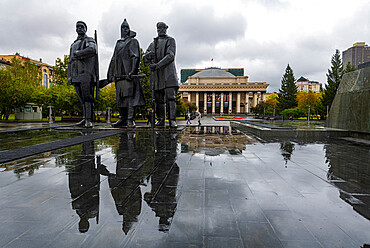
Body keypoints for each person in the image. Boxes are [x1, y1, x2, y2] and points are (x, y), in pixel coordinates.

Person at [108, 19, 145, 128]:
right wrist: (110, 73)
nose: (124, 30)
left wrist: (132, 71)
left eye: (126, 28)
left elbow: (135, 56)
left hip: (128, 75)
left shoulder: (133, 41)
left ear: (129, 30)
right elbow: (114, 59)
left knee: (129, 98)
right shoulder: (118, 43)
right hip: (119, 76)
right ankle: (122, 119)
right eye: (122, 28)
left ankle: (130, 119)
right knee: (120, 98)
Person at [143, 22, 179, 128]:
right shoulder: (153, 43)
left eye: (163, 28)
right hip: (157, 77)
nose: (161, 30)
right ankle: (161, 120)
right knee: (159, 100)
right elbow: (145, 58)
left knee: (170, 98)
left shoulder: (170, 40)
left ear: (166, 29)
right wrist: (149, 55)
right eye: (159, 28)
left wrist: (157, 65)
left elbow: (170, 55)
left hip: (168, 74)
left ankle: (172, 120)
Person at [67, 21, 99, 128]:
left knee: (87, 97)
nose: (80, 29)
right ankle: (85, 118)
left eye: (82, 27)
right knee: (81, 98)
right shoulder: (73, 44)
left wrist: (79, 53)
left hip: (86, 74)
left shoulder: (89, 40)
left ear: (86, 29)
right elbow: (70, 61)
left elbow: (92, 49)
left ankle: (89, 120)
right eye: (78, 27)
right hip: (75, 74)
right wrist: (69, 76)